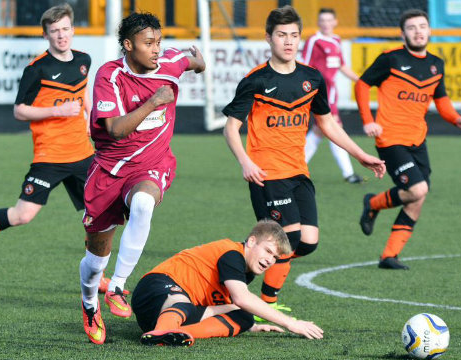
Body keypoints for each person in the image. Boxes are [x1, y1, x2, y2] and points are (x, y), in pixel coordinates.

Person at [223, 6, 385, 319]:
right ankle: (262, 305)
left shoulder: (312, 78)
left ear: (300, 38)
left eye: (294, 35)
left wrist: (361, 155)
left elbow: (327, 124)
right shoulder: (256, 80)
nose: (288, 41)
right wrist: (245, 161)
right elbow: (232, 127)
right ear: (268, 38)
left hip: (299, 172)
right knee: (289, 239)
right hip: (266, 174)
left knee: (308, 242)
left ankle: (242, 261)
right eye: (281, 35)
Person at [0, 4, 101, 280]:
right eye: (54, 31)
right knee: (22, 215)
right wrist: (56, 111)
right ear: (45, 35)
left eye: (65, 29)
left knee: (96, 218)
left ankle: (95, 274)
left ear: (72, 30)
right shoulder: (36, 70)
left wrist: (89, 116)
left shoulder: (84, 59)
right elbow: (19, 110)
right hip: (49, 156)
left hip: (83, 154)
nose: (61, 36)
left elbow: (82, 91)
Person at [79, 12, 206, 345]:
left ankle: (118, 286)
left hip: (151, 165)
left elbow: (194, 61)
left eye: (159, 42)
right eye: (149, 43)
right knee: (95, 260)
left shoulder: (170, 62)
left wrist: (198, 62)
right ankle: (90, 303)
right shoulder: (110, 75)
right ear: (128, 45)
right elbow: (115, 130)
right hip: (109, 169)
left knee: (144, 203)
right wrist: (153, 102)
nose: (156, 50)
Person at [355, 9, 461, 270]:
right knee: (418, 189)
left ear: (429, 30)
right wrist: (367, 120)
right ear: (403, 33)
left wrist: (457, 119)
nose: (418, 31)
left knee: (418, 197)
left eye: (422, 26)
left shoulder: (436, 64)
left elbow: (441, 101)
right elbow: (362, 85)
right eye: (412, 27)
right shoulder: (390, 59)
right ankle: (373, 203)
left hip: (417, 140)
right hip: (390, 138)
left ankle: (389, 256)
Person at [132, 220, 324, 346]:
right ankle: (163, 330)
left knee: (245, 317)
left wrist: (250, 325)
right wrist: (291, 323)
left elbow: (229, 305)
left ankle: (175, 335)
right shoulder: (232, 254)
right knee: (184, 302)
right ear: (251, 241)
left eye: (275, 257)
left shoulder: (244, 271)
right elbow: (242, 298)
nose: (270, 260)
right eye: (267, 251)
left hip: (170, 314)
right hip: (155, 288)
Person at [300, 8, 364, 184]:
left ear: (335, 22)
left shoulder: (336, 40)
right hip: (319, 93)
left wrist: (361, 80)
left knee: (320, 131)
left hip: (331, 92)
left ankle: (295, 167)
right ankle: (348, 173)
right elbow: (303, 65)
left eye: (329, 20)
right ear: (319, 23)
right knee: (335, 129)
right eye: (322, 20)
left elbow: (342, 65)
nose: (326, 24)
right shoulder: (314, 40)